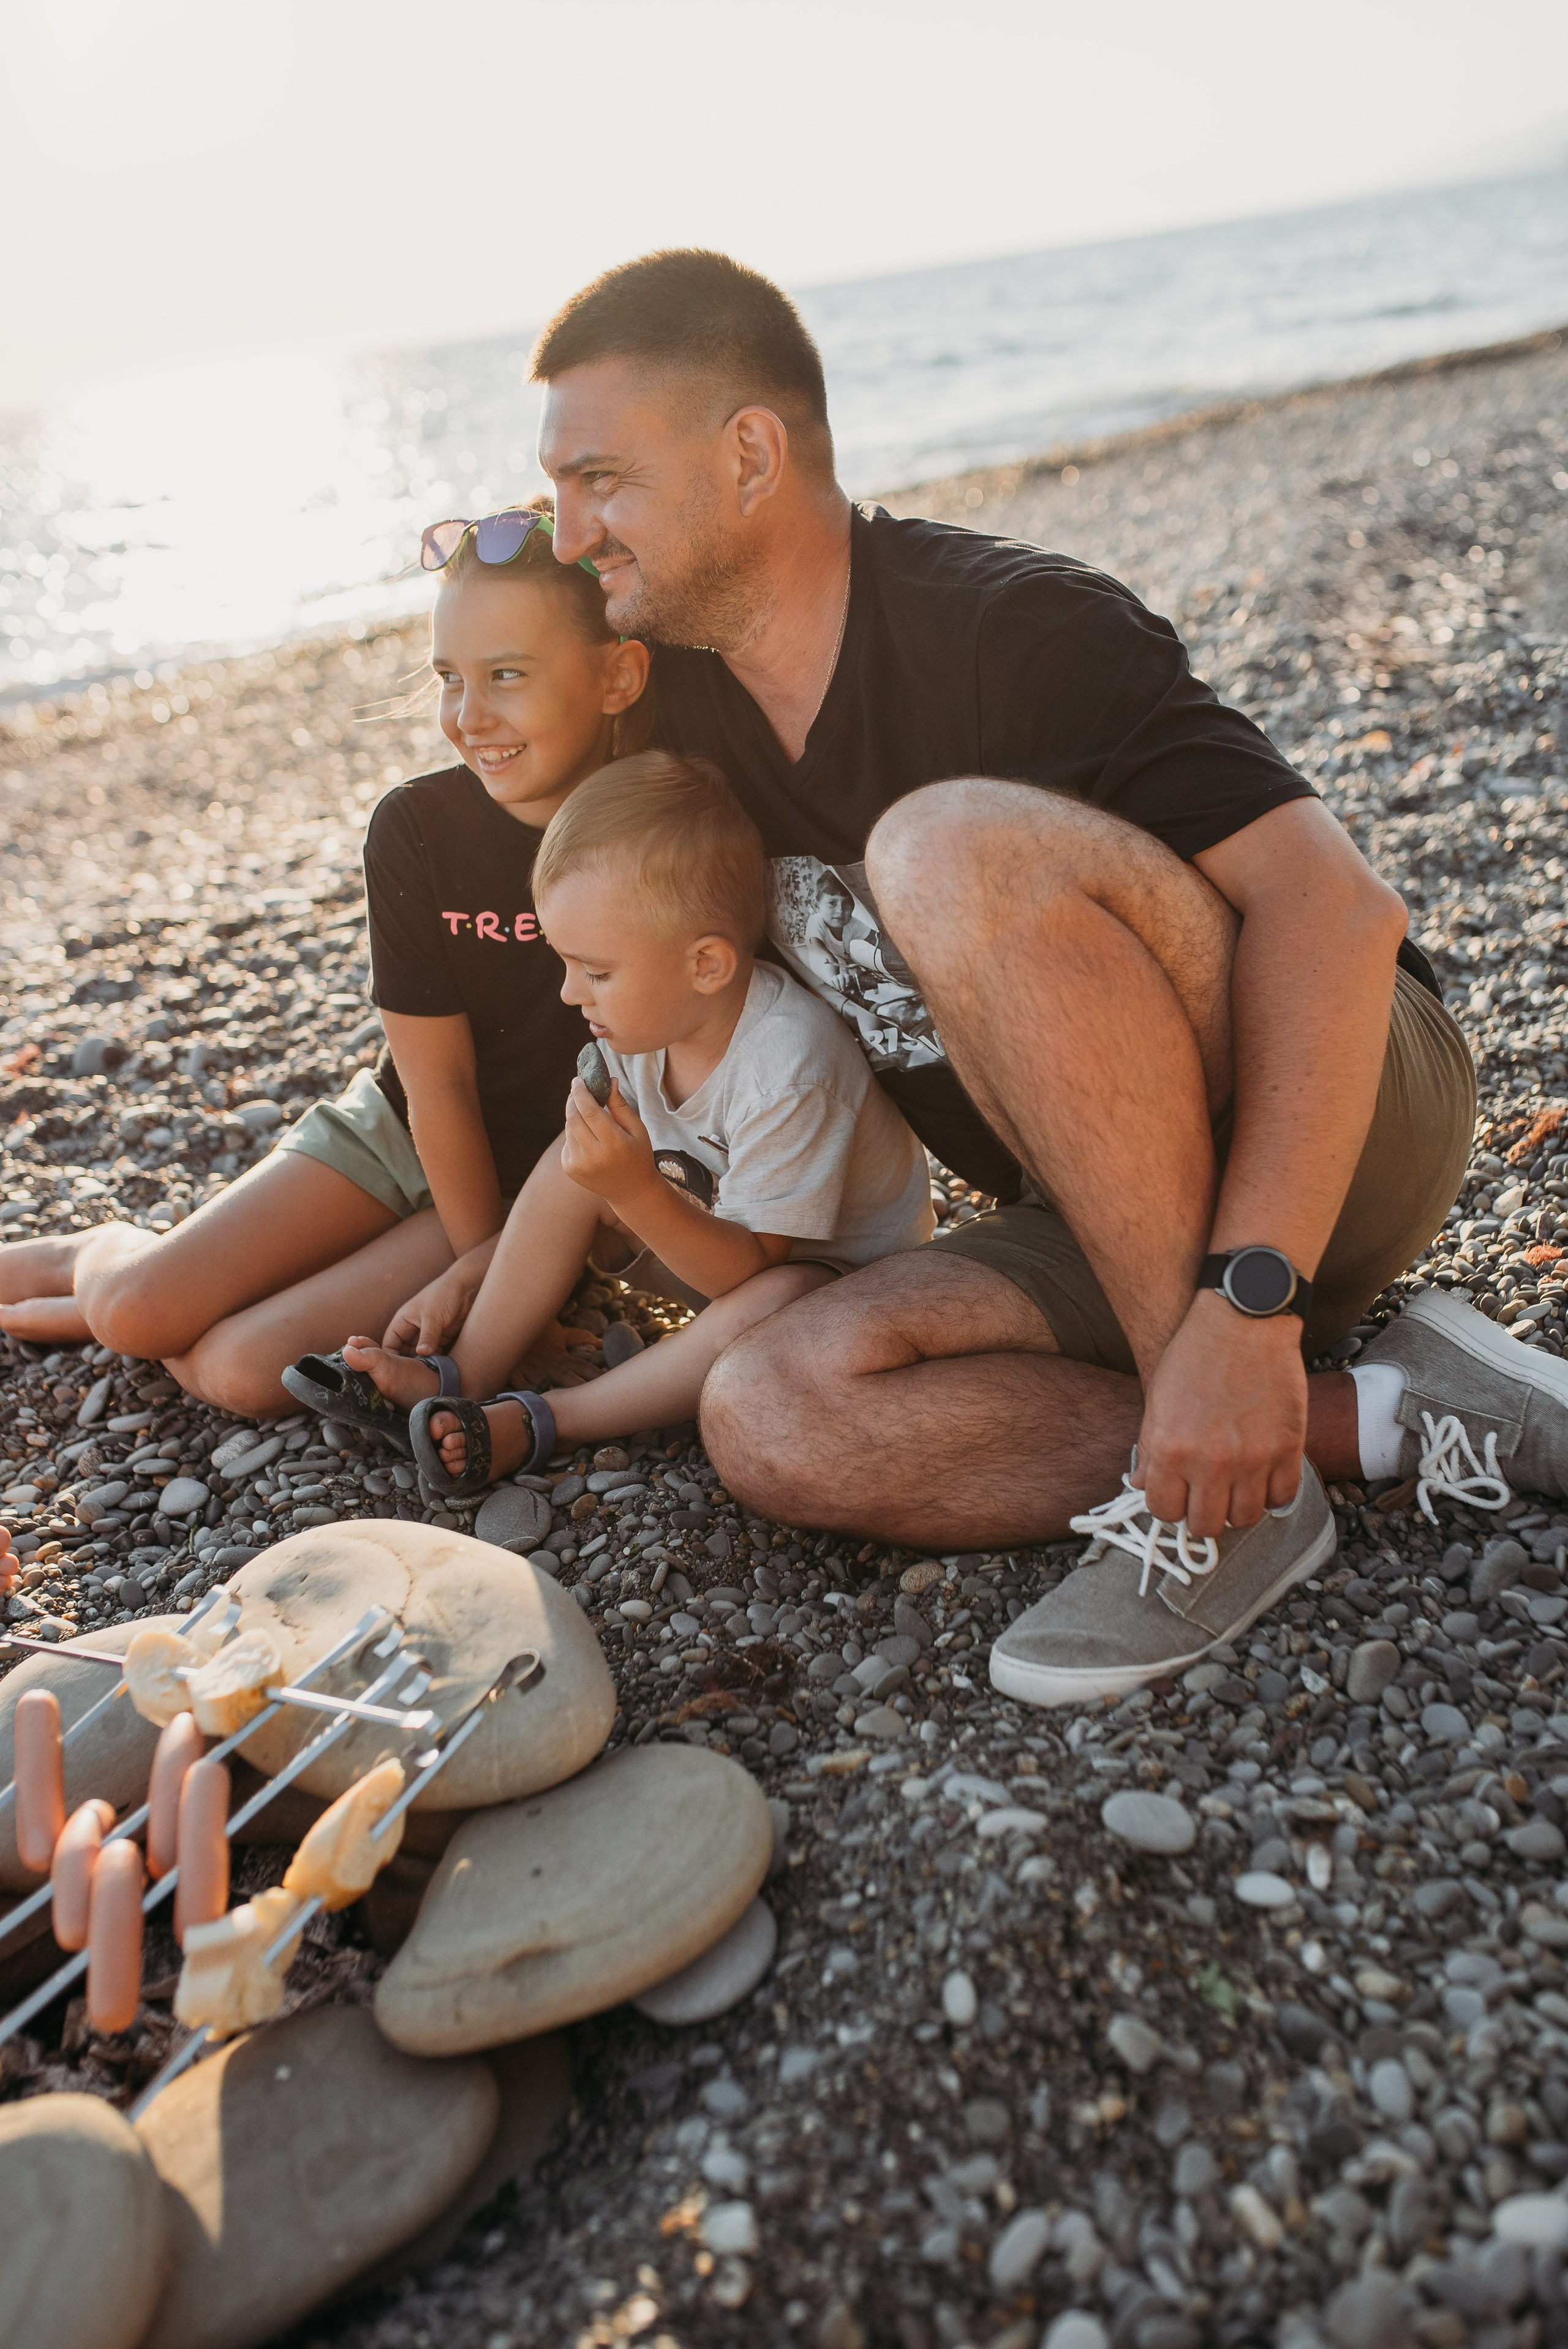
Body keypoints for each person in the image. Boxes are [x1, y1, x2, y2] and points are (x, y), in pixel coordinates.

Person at [519, 246, 1568, 1708]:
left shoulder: (1006, 625)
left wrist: (1246, 1298)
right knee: (764, 1411)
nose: (569, 532)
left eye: (596, 481)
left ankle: (1229, 1485)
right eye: (545, 494)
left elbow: (1333, 911)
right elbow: (543, 904)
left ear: (748, 452)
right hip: (1098, 1198)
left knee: (939, 846)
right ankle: (1376, 1416)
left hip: (1335, 1121)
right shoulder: (677, 718)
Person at [0, 499, 649, 1420]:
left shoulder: (660, 828)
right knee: (141, 1308)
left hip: (543, 1186)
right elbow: (437, 1091)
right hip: (401, 1135)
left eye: (508, 674)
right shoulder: (417, 828)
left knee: (238, 1372)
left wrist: (500, 1273)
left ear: (619, 674)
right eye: (448, 678)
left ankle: (131, 1302)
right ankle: (93, 1258)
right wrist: (478, 1267)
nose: (470, 715)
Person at [311, 753, 934, 1491]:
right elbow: (591, 1198)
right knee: (568, 1163)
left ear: (706, 964)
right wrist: (471, 1268)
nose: (572, 994)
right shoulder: (644, 1031)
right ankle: (463, 1371)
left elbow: (749, 1273)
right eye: (566, 964)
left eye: (596, 971)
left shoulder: (789, 1065)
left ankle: (550, 1419)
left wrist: (634, 1192)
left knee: (777, 1299)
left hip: (823, 1282)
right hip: (701, 1230)